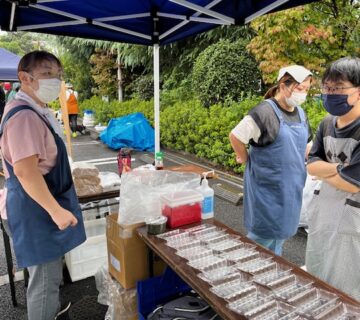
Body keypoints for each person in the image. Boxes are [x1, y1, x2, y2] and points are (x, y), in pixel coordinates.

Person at [0, 51, 86, 320]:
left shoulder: (35, 109)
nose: (55, 80)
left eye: (58, 74)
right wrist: (55, 211)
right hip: (35, 208)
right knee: (45, 282)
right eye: (47, 73)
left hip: (39, 203)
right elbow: (26, 172)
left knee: (47, 276)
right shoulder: (24, 116)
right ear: (25, 78)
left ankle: (52, 310)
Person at [229, 65, 313, 255]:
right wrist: (243, 157)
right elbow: (236, 136)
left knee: (281, 234)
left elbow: (306, 143)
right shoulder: (264, 112)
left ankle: (271, 273)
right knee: (262, 237)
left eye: (306, 90)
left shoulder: (300, 114)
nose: (303, 94)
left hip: (291, 186)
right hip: (267, 188)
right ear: (283, 85)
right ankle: (243, 271)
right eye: (300, 89)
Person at [305, 57, 360, 300]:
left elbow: (352, 183)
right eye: (327, 88)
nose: (330, 93)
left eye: (338, 88)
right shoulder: (326, 124)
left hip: (352, 219)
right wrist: (339, 168)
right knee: (317, 276)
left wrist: (325, 170)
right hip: (323, 213)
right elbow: (310, 166)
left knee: (346, 288)